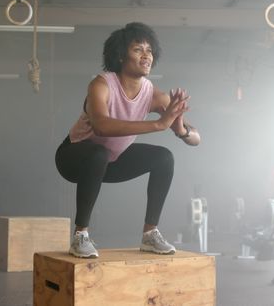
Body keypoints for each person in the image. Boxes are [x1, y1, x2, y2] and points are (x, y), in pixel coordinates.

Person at [55, 22, 201, 258]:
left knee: (164, 157)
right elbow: (101, 127)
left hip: (111, 162)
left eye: (150, 51)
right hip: (73, 159)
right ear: (121, 55)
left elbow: (196, 139)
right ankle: (80, 236)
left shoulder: (153, 94)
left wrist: (180, 127)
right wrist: (159, 124)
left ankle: (150, 235)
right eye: (138, 50)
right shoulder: (101, 85)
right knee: (97, 153)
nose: (146, 56)